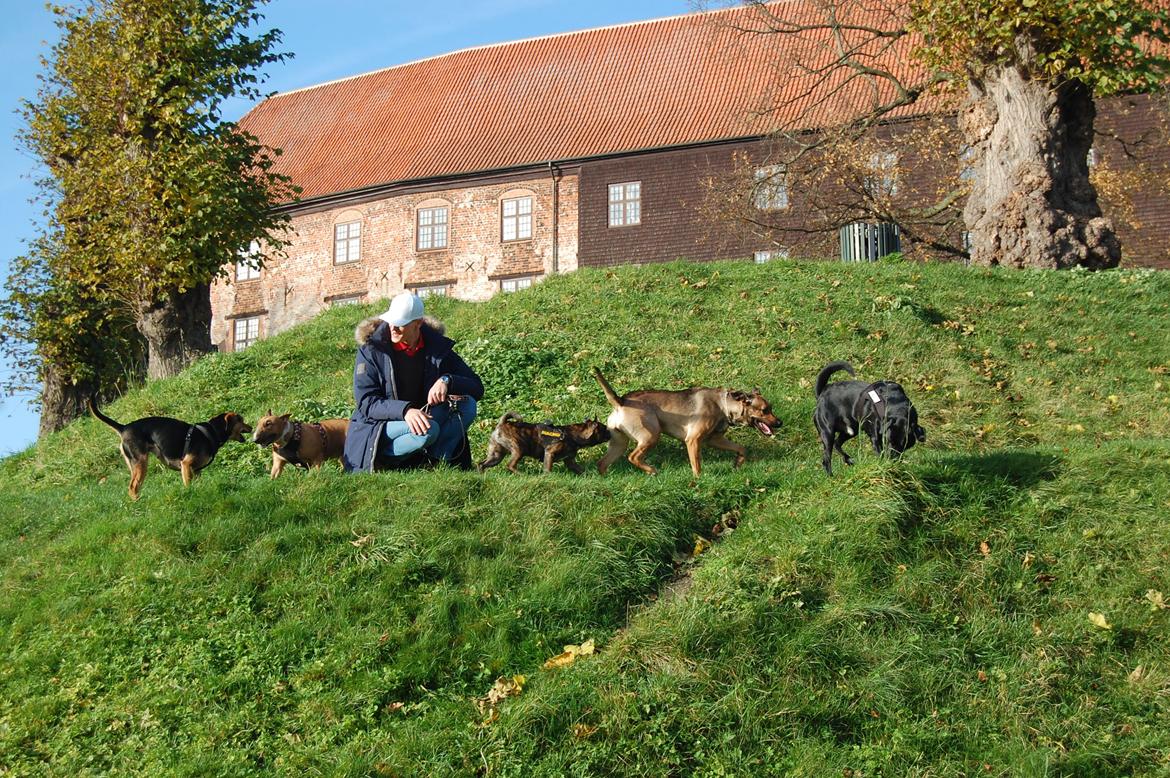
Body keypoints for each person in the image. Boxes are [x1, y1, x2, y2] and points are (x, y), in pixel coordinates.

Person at [343, 292, 483, 472]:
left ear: (418, 324)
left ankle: (436, 463)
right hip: (377, 426)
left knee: (468, 405)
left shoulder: (437, 347)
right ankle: (382, 460)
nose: (393, 327)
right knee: (429, 430)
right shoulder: (370, 351)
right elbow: (366, 403)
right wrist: (405, 411)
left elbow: (477, 387)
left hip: (423, 417)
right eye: (391, 321)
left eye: (401, 324)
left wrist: (447, 380)